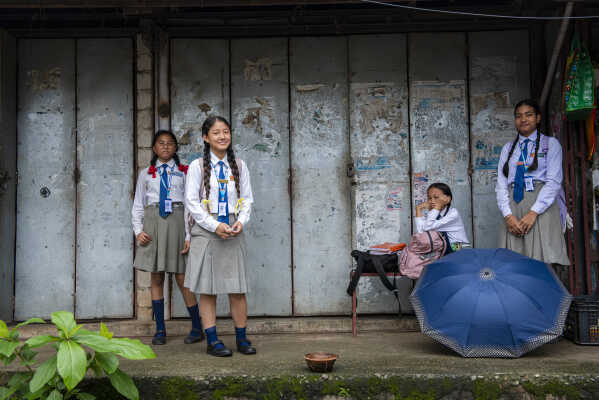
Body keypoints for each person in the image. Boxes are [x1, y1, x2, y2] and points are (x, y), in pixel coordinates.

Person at [184, 116, 255, 357]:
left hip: (233, 229)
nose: (222, 136)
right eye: (216, 132)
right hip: (207, 230)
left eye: (226, 131)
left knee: (237, 288)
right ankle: (212, 340)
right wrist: (214, 225)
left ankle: (242, 338)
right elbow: (192, 203)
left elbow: (247, 199)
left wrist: (240, 222)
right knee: (208, 288)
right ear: (206, 137)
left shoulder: (241, 166)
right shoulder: (196, 167)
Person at [132, 130, 205, 345]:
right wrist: (138, 230)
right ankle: (160, 330)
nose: (165, 147)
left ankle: (197, 327)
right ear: (154, 148)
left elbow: (192, 204)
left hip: (177, 221)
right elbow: (138, 204)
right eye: (161, 143)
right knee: (156, 277)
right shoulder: (146, 174)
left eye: (170, 143)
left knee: (182, 277)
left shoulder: (184, 172)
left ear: (175, 148)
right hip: (153, 223)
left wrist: (189, 234)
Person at [495, 99, 570, 265]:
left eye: (528, 115)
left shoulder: (551, 145)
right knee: (514, 262)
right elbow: (501, 184)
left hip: (541, 206)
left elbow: (553, 182)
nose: (523, 119)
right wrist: (508, 215)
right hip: (513, 205)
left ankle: (548, 291)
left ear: (538, 118)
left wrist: (533, 212)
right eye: (519, 116)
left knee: (543, 261)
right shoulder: (508, 148)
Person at [414, 182, 470, 255]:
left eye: (436, 197)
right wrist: (418, 209)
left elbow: (427, 227)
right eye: (429, 198)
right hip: (445, 246)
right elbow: (421, 233)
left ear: (447, 199)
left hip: (459, 246)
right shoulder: (432, 214)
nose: (432, 201)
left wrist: (436, 208)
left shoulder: (453, 214)